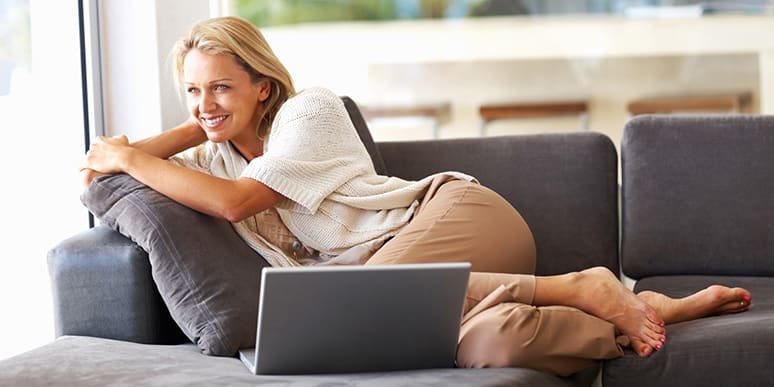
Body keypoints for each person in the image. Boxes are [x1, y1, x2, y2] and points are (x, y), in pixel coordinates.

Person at [80, 16, 752, 376]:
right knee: (489, 344)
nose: (204, 104)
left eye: (222, 86)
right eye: (192, 90)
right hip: (436, 286)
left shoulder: (306, 112)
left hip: (460, 219)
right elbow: (93, 178)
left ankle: (580, 283)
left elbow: (233, 203)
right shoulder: (210, 151)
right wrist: (194, 121)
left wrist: (133, 151)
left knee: (364, 298)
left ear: (264, 84)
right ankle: (638, 308)